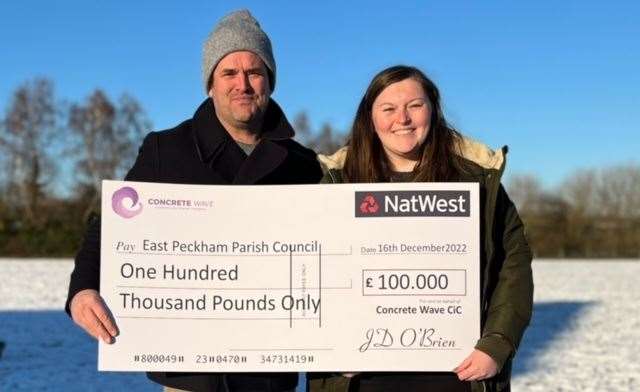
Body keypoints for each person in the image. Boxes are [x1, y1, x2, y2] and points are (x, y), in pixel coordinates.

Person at [65, 9, 322, 392]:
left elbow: (328, 257)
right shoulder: (165, 150)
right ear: (210, 84)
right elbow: (112, 224)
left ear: (270, 81)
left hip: (269, 370)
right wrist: (82, 288)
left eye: (255, 72)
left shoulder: (302, 164)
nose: (243, 84)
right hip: (190, 373)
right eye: (229, 73)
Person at [309, 65, 533, 392]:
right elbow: (309, 271)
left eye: (415, 105)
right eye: (388, 109)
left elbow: (513, 263)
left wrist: (497, 343)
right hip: (361, 377)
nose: (403, 119)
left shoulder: (475, 178)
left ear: (433, 109)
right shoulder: (336, 180)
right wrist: (331, 345)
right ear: (369, 117)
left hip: (457, 372)